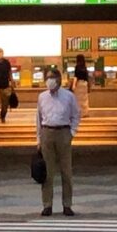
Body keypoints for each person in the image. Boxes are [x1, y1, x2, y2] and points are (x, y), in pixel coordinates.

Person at [35, 63, 83, 215]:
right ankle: (47, 204)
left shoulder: (68, 96)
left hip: (63, 132)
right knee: (47, 172)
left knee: (66, 171)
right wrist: (38, 138)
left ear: (59, 80)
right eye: (48, 78)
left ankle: (67, 204)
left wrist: (72, 132)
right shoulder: (42, 97)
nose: (50, 81)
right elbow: (38, 118)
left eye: (52, 78)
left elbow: (76, 114)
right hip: (47, 133)